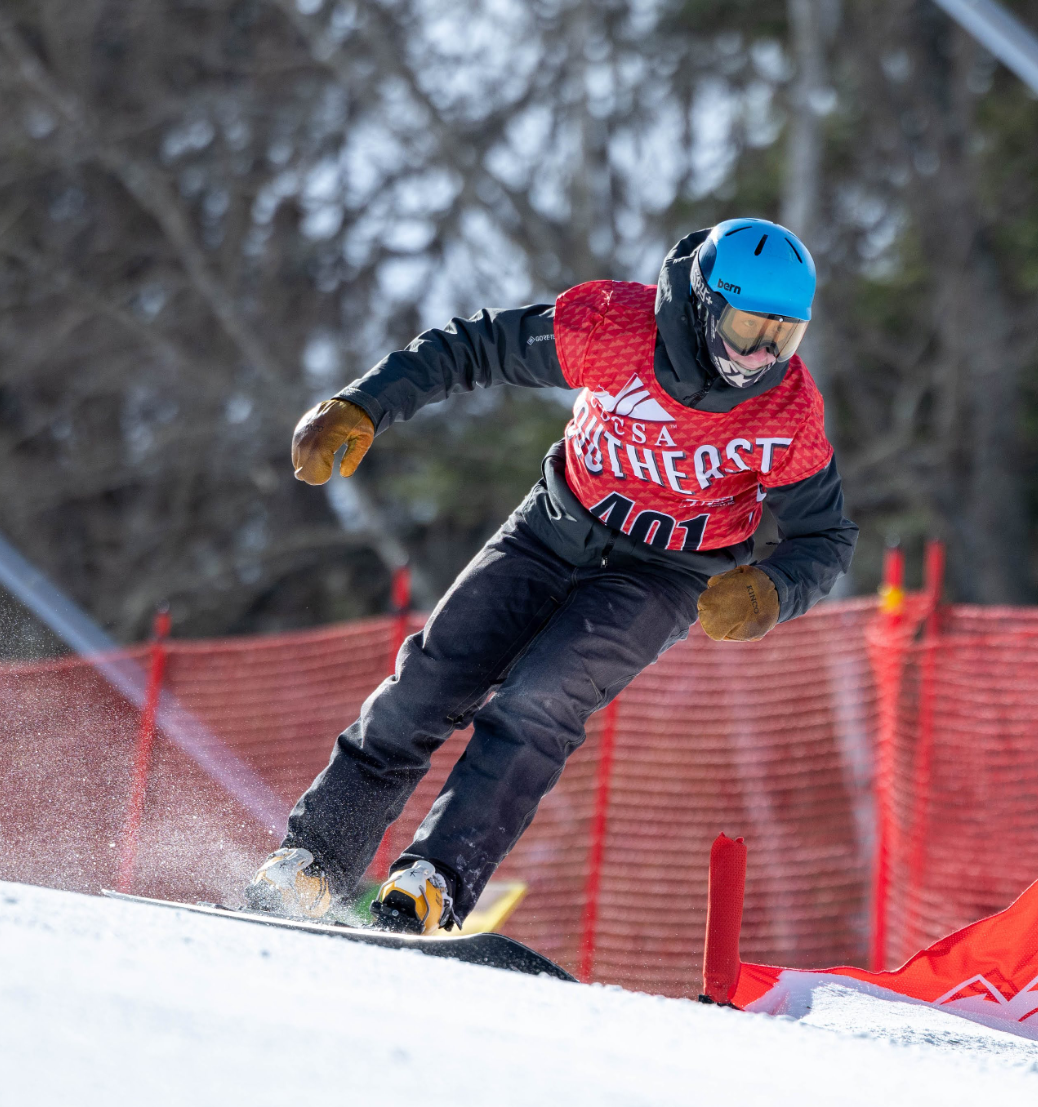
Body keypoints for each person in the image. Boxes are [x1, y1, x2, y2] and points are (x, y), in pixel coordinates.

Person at [244, 219, 857, 933]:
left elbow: (825, 534)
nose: (760, 354)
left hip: (661, 578)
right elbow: (474, 348)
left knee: (539, 702)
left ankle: (434, 878)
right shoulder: (612, 327)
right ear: (703, 301)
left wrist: (771, 591)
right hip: (549, 531)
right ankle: (314, 861)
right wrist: (367, 402)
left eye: (784, 336)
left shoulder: (786, 410)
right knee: (428, 684)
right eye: (750, 326)